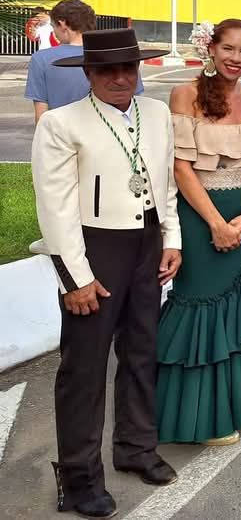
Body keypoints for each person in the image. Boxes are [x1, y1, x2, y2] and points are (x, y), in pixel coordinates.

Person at [32, 28, 179, 518]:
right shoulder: (60, 123)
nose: (120, 77)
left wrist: (171, 238)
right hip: (94, 247)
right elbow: (55, 207)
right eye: (108, 70)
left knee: (142, 351)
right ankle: (77, 477)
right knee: (85, 368)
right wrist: (75, 277)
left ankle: (135, 447)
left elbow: (163, 179)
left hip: (147, 240)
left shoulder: (155, 113)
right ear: (89, 74)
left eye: (128, 68)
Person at [158, 19, 241, 447]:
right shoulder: (185, 94)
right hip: (198, 217)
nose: (236, 58)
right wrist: (214, 222)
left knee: (239, 311)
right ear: (210, 49)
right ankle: (199, 417)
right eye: (228, 49)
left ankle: (236, 405)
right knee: (200, 306)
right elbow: (181, 167)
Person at [25, 0, 128, 123]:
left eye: (53, 26)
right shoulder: (118, 54)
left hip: (62, 136)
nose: (54, 33)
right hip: (109, 135)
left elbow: (41, 116)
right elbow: (133, 106)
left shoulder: (41, 59)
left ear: (62, 24)